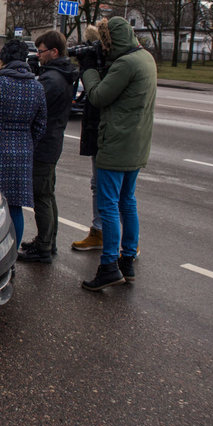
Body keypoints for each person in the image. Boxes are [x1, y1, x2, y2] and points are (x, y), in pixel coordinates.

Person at [77, 17, 157, 291]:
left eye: (105, 42)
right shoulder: (145, 58)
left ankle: (109, 265)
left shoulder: (125, 64)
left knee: (108, 204)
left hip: (115, 142)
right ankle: (127, 261)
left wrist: (88, 69)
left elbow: (98, 96)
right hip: (136, 142)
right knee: (127, 201)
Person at [0, 39, 47, 248]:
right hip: (23, 151)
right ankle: (12, 253)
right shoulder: (37, 86)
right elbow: (41, 124)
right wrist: (27, 143)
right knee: (15, 207)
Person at [18, 31, 76, 263]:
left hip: (43, 144)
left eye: (41, 51)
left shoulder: (52, 80)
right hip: (52, 141)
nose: (38, 55)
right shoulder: (60, 74)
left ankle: (43, 247)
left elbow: (33, 108)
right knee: (47, 194)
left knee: (41, 195)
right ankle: (47, 241)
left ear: (54, 52)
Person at [71, 25, 104, 252]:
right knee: (100, 186)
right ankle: (101, 231)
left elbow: (98, 95)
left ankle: (105, 234)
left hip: (106, 134)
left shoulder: (111, 66)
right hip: (99, 130)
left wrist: (89, 68)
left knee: (107, 188)